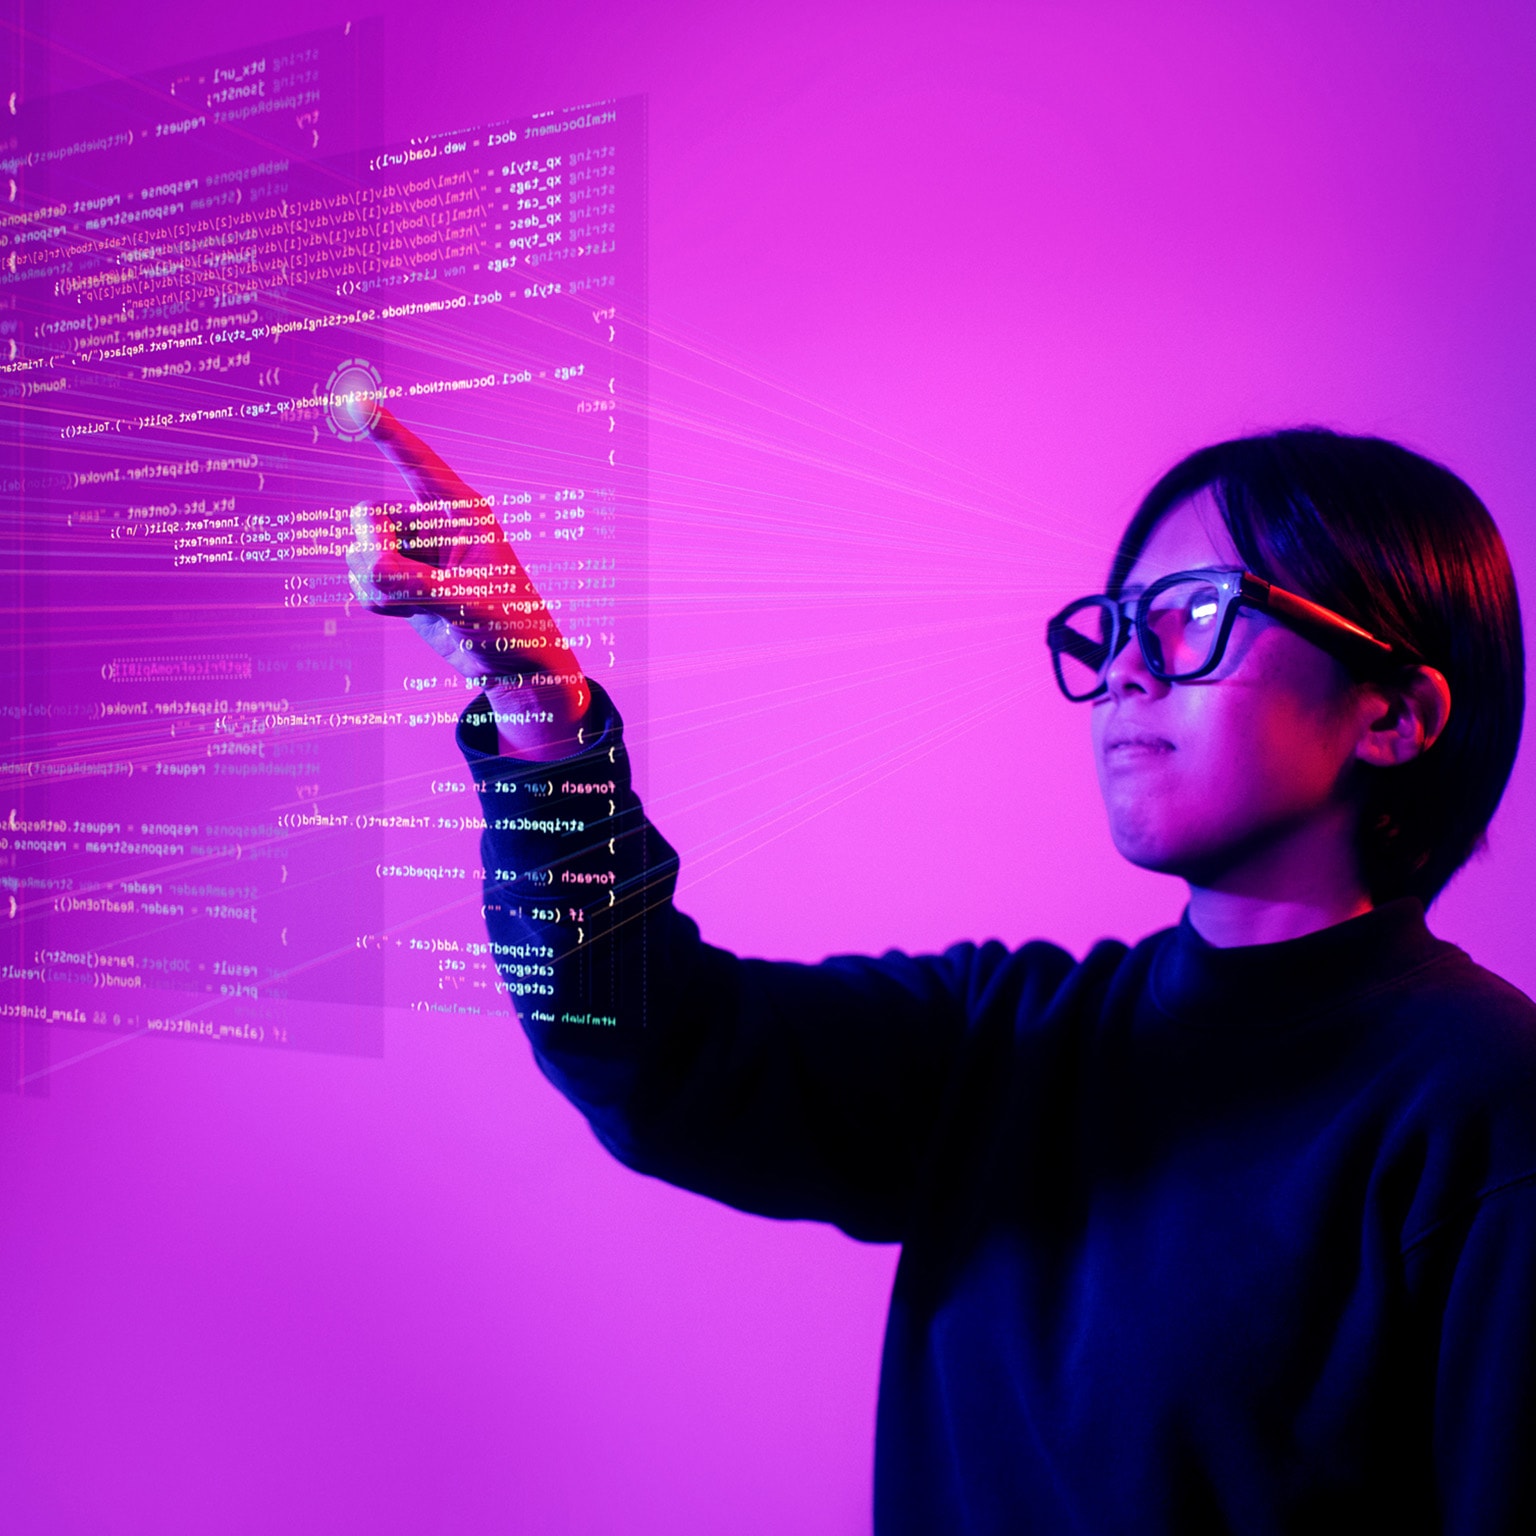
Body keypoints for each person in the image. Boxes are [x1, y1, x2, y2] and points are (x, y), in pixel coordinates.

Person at [347, 409, 1536, 1534]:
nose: (1126, 666)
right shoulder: (1008, 1040)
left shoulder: (1485, 1104)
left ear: (1395, 713)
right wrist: (537, 705)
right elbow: (650, 1047)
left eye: (1194, 611)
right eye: (1116, 623)